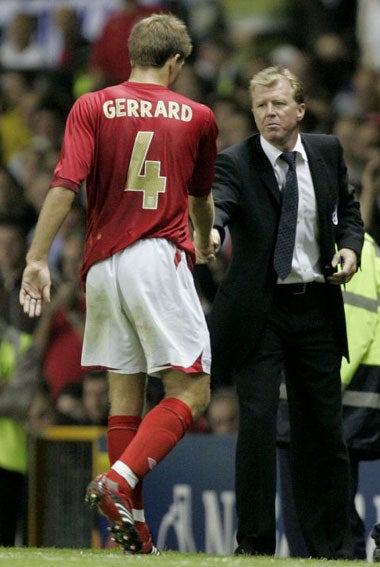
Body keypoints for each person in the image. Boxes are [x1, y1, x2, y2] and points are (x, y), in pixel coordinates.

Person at [19, 13, 217, 556]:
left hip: (102, 266)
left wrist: (38, 257)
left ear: (131, 54)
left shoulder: (92, 104)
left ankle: (134, 533)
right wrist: (204, 241)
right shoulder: (198, 115)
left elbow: (64, 184)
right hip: (158, 255)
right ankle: (118, 481)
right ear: (176, 62)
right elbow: (200, 200)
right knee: (192, 390)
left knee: (125, 398)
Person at [208, 65, 364, 559]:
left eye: (278, 104)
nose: (269, 113)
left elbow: (349, 214)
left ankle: (332, 545)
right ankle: (253, 545)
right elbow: (221, 205)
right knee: (256, 425)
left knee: (323, 428)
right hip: (262, 312)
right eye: (261, 106)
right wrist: (212, 231)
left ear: (300, 109)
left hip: (316, 305)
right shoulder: (234, 161)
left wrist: (350, 249)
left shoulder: (326, 151)